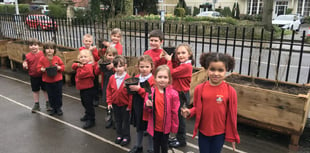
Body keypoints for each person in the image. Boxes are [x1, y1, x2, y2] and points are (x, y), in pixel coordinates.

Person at [181, 52, 240, 153]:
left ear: (226, 70)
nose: (216, 73)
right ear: (207, 69)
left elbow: (232, 116)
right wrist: (190, 112)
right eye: (212, 69)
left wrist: (232, 135)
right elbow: (197, 107)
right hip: (203, 132)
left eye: (220, 70)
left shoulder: (230, 91)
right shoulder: (200, 88)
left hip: (219, 133)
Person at [163, 43, 194, 148]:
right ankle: (178, 137)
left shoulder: (186, 67)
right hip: (177, 94)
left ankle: (182, 141)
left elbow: (169, 72)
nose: (180, 55)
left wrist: (168, 60)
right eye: (178, 53)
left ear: (189, 54)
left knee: (180, 119)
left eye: (183, 53)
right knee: (176, 117)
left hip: (182, 95)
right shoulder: (183, 64)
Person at [144, 65, 180, 153]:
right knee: (155, 145)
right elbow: (147, 110)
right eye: (160, 77)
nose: (162, 79)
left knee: (164, 146)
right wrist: (147, 105)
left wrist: (174, 126)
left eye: (165, 77)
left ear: (169, 79)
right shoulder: (151, 92)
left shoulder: (173, 94)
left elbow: (175, 111)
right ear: (155, 78)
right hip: (155, 126)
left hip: (166, 127)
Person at [128, 55, 155, 153]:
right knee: (139, 127)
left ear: (151, 67)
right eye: (142, 67)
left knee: (150, 128)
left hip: (147, 108)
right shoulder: (136, 78)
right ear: (138, 67)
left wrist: (139, 89)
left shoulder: (152, 80)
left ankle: (151, 148)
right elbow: (130, 94)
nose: (144, 69)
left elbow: (150, 95)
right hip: (137, 106)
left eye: (147, 67)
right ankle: (138, 146)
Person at [106, 55, 132, 146]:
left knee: (126, 122)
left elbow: (131, 95)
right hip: (115, 104)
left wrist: (129, 105)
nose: (118, 69)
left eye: (120, 66)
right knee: (118, 121)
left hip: (125, 105)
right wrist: (109, 102)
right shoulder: (112, 78)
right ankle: (119, 135)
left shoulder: (128, 79)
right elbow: (109, 90)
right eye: (116, 66)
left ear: (125, 66)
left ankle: (126, 136)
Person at [37, 41, 65, 116]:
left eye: (52, 48)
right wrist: (42, 69)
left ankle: (58, 108)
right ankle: (53, 108)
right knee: (51, 95)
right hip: (48, 81)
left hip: (57, 80)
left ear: (54, 50)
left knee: (58, 94)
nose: (49, 50)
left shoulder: (57, 58)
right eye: (47, 48)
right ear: (44, 50)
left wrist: (59, 67)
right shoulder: (42, 59)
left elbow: (62, 67)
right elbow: (38, 68)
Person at [22, 38, 49, 113]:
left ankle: (48, 103)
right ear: (28, 47)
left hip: (43, 75)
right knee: (35, 90)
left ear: (39, 46)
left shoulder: (43, 54)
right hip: (33, 76)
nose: (33, 47)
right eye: (31, 45)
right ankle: (36, 104)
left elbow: (47, 62)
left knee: (45, 89)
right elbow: (25, 66)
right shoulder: (27, 56)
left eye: (35, 45)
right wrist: (25, 66)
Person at [72, 49, 96, 129]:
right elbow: (73, 66)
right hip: (82, 88)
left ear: (89, 58)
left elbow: (81, 74)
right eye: (81, 57)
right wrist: (78, 65)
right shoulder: (81, 65)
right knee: (84, 102)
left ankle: (91, 119)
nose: (83, 58)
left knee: (88, 104)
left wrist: (79, 69)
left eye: (85, 57)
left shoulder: (89, 66)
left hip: (88, 88)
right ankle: (87, 114)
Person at [95, 47, 118, 128]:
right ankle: (109, 118)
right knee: (108, 102)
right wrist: (98, 66)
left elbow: (121, 71)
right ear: (106, 55)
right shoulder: (103, 63)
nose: (111, 57)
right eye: (109, 55)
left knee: (115, 103)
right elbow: (96, 72)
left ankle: (116, 120)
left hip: (115, 87)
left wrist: (114, 67)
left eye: (113, 55)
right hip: (106, 86)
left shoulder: (117, 64)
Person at [79, 33, 100, 106]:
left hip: (93, 69)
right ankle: (90, 97)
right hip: (85, 70)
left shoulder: (94, 49)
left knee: (95, 84)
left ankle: (96, 98)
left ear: (92, 42)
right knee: (88, 84)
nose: (88, 42)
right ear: (83, 41)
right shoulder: (81, 49)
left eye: (89, 41)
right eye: (86, 41)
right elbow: (81, 57)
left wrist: (92, 51)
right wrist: (88, 50)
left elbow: (97, 58)